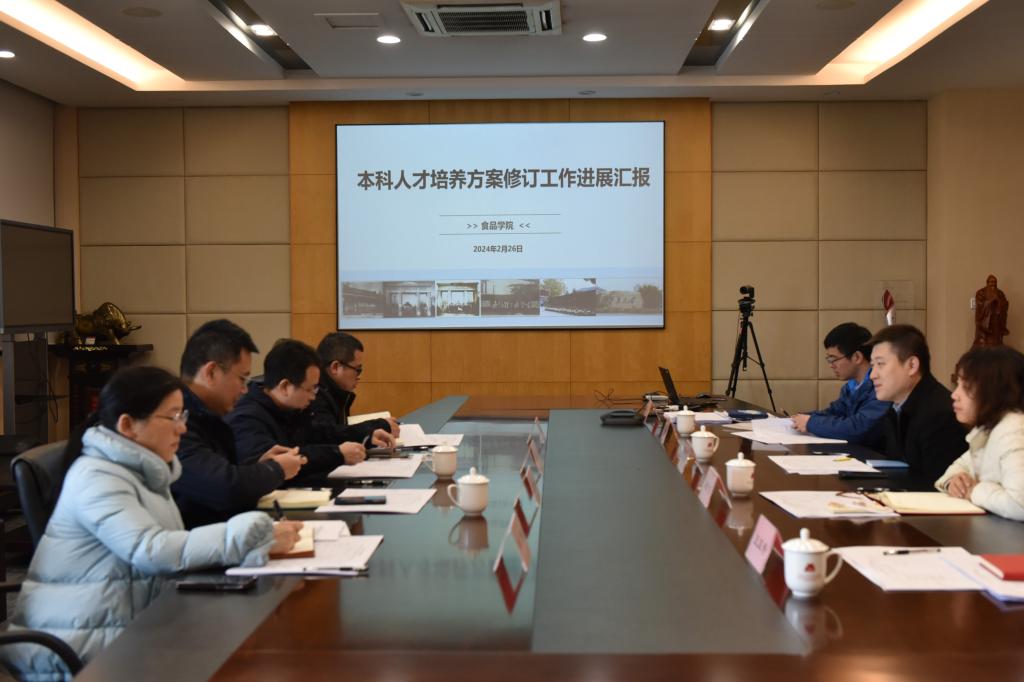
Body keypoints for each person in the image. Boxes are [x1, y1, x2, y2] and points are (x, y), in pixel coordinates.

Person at [2, 366, 302, 679]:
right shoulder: (96, 477)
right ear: (128, 425)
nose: (182, 428)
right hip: (80, 648)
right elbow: (151, 549)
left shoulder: (144, 471)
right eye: (172, 417)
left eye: (183, 416)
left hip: (128, 624)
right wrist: (254, 535)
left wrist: (255, 543)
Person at [172, 319, 306, 528]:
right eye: (242, 378)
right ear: (211, 372)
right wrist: (276, 469)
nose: (244, 390)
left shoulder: (206, 416)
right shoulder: (175, 420)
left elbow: (215, 473)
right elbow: (222, 488)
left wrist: (257, 466)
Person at [226, 339, 373, 477]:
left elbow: (321, 434)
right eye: (310, 389)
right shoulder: (246, 418)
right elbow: (279, 462)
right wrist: (336, 453)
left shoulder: (293, 409)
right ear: (285, 386)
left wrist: (367, 434)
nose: (313, 397)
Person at [868, 324, 967, 486]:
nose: (872, 375)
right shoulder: (896, 408)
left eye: (880, 364)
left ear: (912, 365)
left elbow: (937, 486)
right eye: (872, 366)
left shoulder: (939, 414)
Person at [935, 346, 1024, 520]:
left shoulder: (1014, 430)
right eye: (958, 384)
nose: (954, 395)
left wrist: (974, 490)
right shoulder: (989, 428)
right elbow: (958, 467)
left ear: (995, 390)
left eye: (966, 386)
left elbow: (1020, 504)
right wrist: (954, 481)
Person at [791, 322, 889, 445]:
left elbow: (858, 428)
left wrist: (810, 423)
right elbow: (834, 413)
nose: (831, 365)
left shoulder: (882, 388)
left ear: (857, 357)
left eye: (833, 359)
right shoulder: (851, 387)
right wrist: (802, 417)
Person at [307, 331, 399, 446]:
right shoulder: (315, 395)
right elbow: (329, 436)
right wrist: (378, 426)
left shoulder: (334, 392)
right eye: (357, 369)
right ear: (335, 367)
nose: (359, 376)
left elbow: (339, 432)